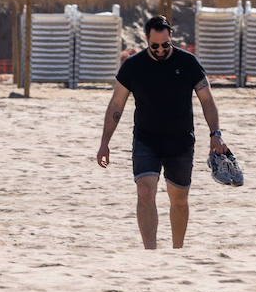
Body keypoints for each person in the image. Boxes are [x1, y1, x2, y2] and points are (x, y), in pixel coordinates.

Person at [96, 16, 228, 249]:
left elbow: (207, 100)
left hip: (180, 141)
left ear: (171, 38)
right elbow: (116, 105)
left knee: (179, 199)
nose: (160, 49)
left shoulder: (188, 63)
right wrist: (105, 142)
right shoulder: (132, 66)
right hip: (146, 139)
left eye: (165, 45)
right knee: (145, 191)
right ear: (146, 40)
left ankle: (177, 250)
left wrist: (215, 133)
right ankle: (151, 253)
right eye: (154, 45)